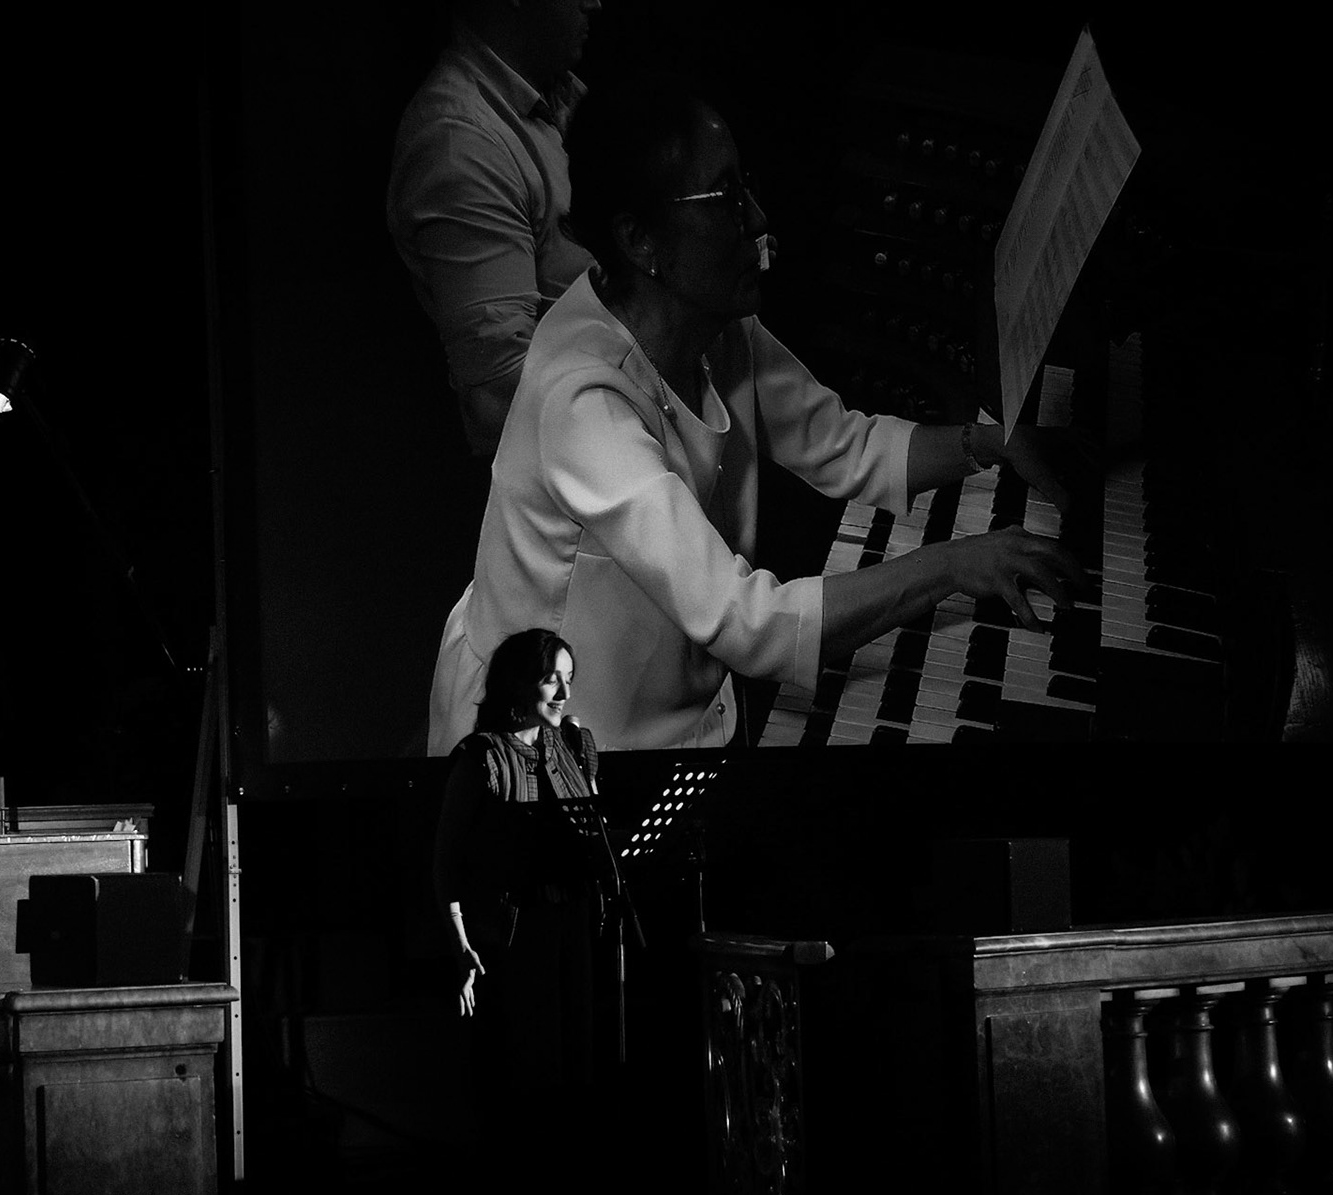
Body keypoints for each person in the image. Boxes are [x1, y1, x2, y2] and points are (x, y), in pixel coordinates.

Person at [428, 72, 1088, 754]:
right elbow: (750, 624)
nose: (758, 221)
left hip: (668, 696)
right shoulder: (582, 405)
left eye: (747, 186)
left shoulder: (710, 322)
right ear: (640, 240)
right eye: (724, 199)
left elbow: (843, 445)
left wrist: (990, 442)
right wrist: (953, 566)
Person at [431, 627, 617, 1195]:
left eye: (569, 675)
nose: (565, 690)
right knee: (523, 1071)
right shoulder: (481, 757)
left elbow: (594, 838)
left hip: (573, 928)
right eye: (550, 678)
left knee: (575, 1068)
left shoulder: (577, 749)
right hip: (512, 937)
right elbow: (447, 863)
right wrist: (462, 949)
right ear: (519, 683)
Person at [386, 0, 604, 457]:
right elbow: (499, 398)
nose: (595, 3)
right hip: (580, 486)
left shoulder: (563, 95)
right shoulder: (460, 141)